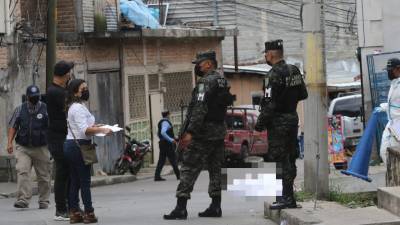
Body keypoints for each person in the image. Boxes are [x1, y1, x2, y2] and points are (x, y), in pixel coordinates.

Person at [164, 50, 234, 220]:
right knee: (216, 169)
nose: (197, 66)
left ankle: (181, 208)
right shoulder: (222, 81)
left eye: (199, 63)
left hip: (203, 134)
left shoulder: (205, 83)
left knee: (189, 168)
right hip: (218, 132)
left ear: (209, 64)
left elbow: (199, 109)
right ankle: (216, 206)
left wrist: (190, 132)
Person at [255, 40, 308, 210]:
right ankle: (288, 197)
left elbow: (269, 104)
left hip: (278, 123)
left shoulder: (272, 75)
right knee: (290, 158)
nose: (265, 56)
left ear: (270, 54)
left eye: (265, 53)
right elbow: (303, 94)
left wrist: (259, 124)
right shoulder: (294, 70)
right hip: (292, 119)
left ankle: (284, 198)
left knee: (279, 160)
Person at [64, 79, 112, 224]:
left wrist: (98, 126)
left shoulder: (77, 106)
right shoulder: (77, 108)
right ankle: (89, 213)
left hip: (73, 145)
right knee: (84, 181)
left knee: (75, 181)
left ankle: (75, 213)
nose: (86, 90)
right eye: (82, 88)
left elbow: (85, 125)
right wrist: (103, 130)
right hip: (79, 147)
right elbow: (84, 130)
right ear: (75, 92)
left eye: (86, 87)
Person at [6, 85, 51, 209]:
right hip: (23, 147)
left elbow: (51, 127)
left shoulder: (46, 109)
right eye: (32, 97)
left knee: (44, 175)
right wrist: (9, 142)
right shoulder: (20, 109)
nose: (34, 99)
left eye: (36, 97)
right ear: (27, 97)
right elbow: (13, 126)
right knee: (22, 171)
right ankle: (23, 199)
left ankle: (44, 200)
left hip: (41, 147)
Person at [46, 60, 74, 221]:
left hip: (61, 137)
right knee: (63, 172)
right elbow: (69, 109)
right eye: (69, 72)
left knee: (68, 172)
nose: (70, 75)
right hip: (58, 138)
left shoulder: (58, 90)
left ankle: (70, 206)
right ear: (64, 75)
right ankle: (61, 210)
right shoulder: (57, 92)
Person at [378, 58, 400, 165]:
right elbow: (395, 103)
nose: (388, 72)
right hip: (392, 123)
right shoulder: (394, 84)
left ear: (397, 69)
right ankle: (394, 178)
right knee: (384, 152)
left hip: (398, 124)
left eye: (390, 70)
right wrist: (385, 107)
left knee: (394, 154)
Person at [154, 110, 180, 181]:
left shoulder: (161, 122)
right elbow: (163, 132)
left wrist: (173, 138)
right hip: (167, 144)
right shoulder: (165, 122)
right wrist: (171, 140)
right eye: (169, 115)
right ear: (168, 115)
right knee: (173, 159)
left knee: (161, 160)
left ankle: (157, 176)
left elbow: (158, 133)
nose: (170, 116)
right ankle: (179, 176)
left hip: (162, 143)